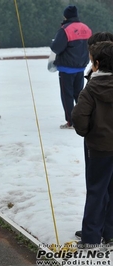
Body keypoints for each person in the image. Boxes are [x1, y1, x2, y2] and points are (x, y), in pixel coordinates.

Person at [70, 32, 113, 241]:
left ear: (96, 63)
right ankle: (110, 232)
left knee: (96, 191)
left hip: (98, 148)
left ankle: (91, 237)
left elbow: (79, 116)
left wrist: (88, 132)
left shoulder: (91, 88)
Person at [50, 5, 92, 129]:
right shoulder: (86, 28)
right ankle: (83, 118)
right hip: (81, 67)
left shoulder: (65, 29)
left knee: (66, 95)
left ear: (66, 16)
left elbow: (56, 48)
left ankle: (71, 121)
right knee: (79, 94)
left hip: (66, 68)